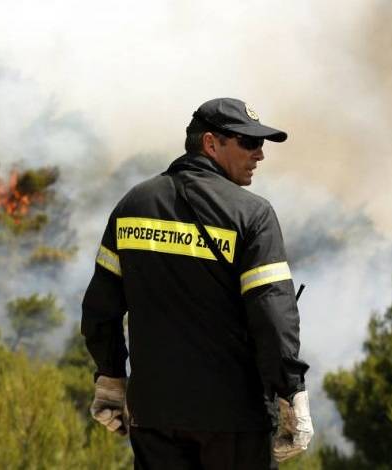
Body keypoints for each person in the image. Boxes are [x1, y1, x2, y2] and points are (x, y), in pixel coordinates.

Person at [82, 98, 313, 469]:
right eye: (249, 143)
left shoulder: (132, 204)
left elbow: (99, 309)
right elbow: (273, 317)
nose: (260, 155)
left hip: (154, 416)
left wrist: (109, 377)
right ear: (210, 144)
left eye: (262, 145)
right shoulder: (254, 216)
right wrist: (292, 395)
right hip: (234, 418)